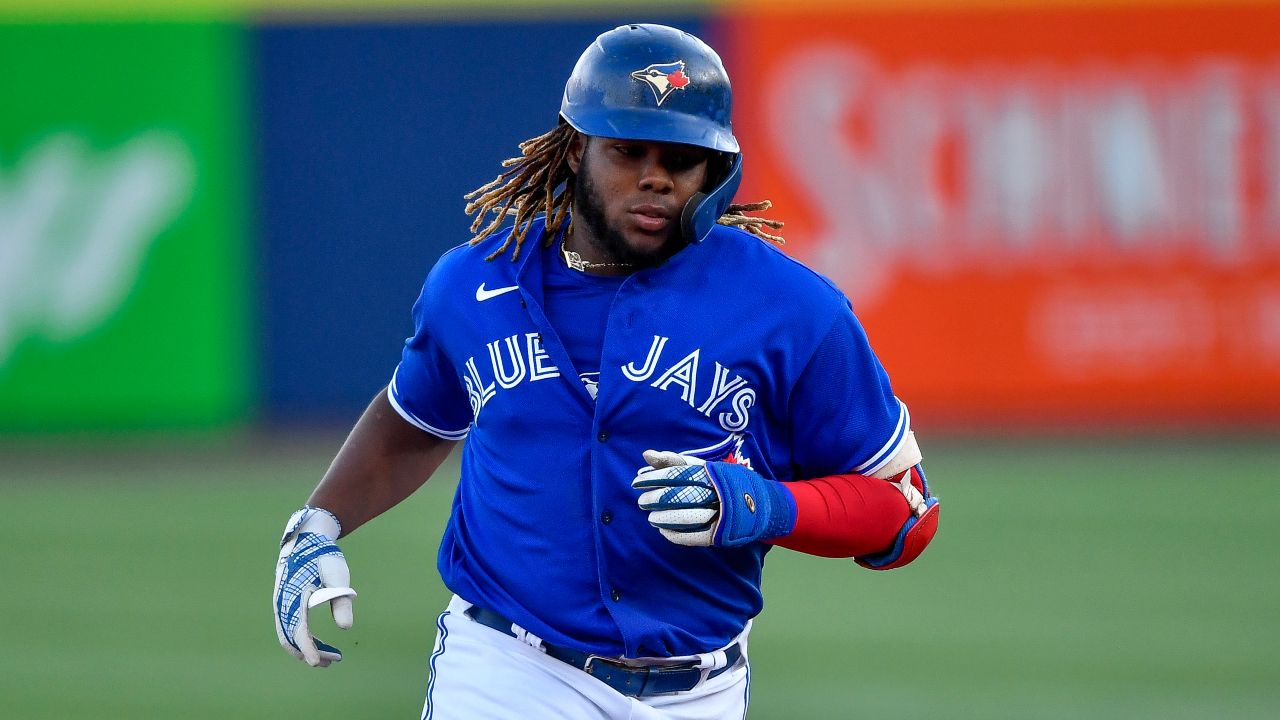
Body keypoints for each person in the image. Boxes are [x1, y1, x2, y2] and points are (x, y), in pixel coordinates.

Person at [272, 23, 940, 719]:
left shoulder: (792, 309)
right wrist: (316, 525)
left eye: (681, 159)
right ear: (573, 149)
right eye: (627, 150)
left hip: (700, 689)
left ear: (714, 173)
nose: (655, 176)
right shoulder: (472, 287)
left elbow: (905, 510)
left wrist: (761, 505)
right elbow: (414, 422)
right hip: (509, 670)